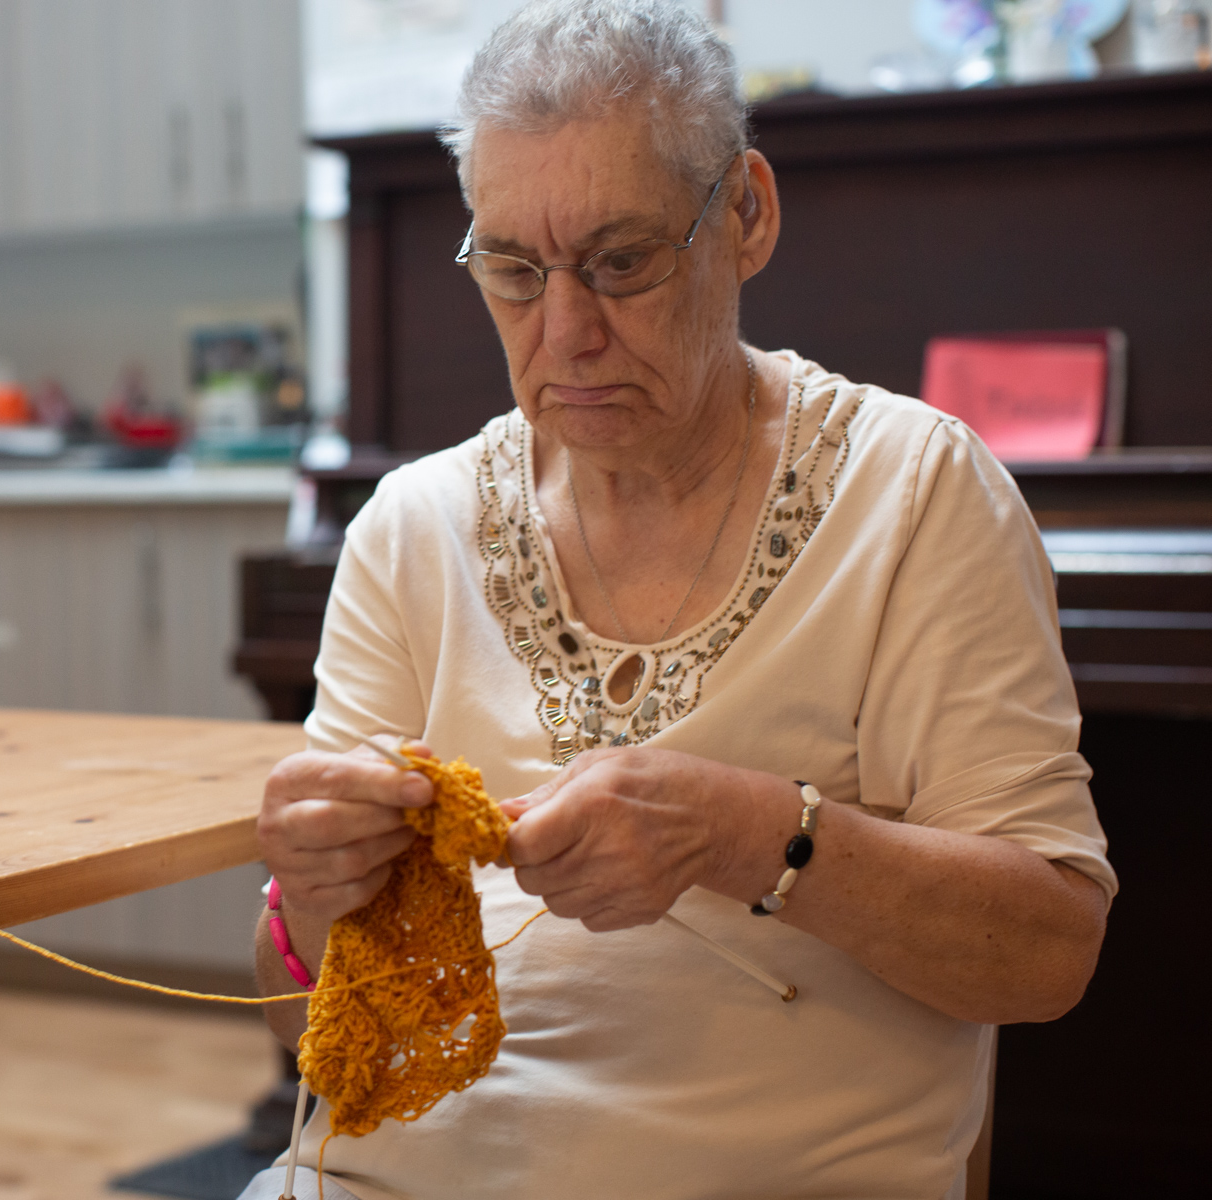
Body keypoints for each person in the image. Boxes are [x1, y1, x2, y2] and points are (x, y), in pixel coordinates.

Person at [243, 2, 1114, 1198]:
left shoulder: (913, 491)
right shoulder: (410, 525)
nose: (566, 334)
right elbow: (303, 1029)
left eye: (622, 263)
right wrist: (310, 894)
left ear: (746, 213)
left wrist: (750, 834)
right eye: (513, 270)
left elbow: (1048, 954)